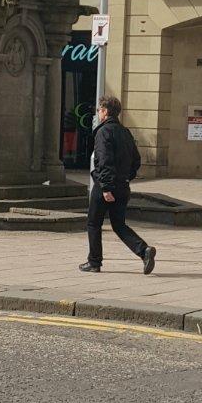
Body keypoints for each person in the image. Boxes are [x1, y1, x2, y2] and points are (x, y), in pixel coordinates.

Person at [80, 93, 156, 276]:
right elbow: (136, 160)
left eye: (99, 110)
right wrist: (126, 178)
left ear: (105, 111)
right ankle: (144, 250)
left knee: (93, 223)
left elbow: (104, 161)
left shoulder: (103, 132)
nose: (98, 113)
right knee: (119, 224)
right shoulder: (125, 132)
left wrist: (106, 187)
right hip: (123, 185)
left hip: (106, 186)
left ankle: (94, 262)